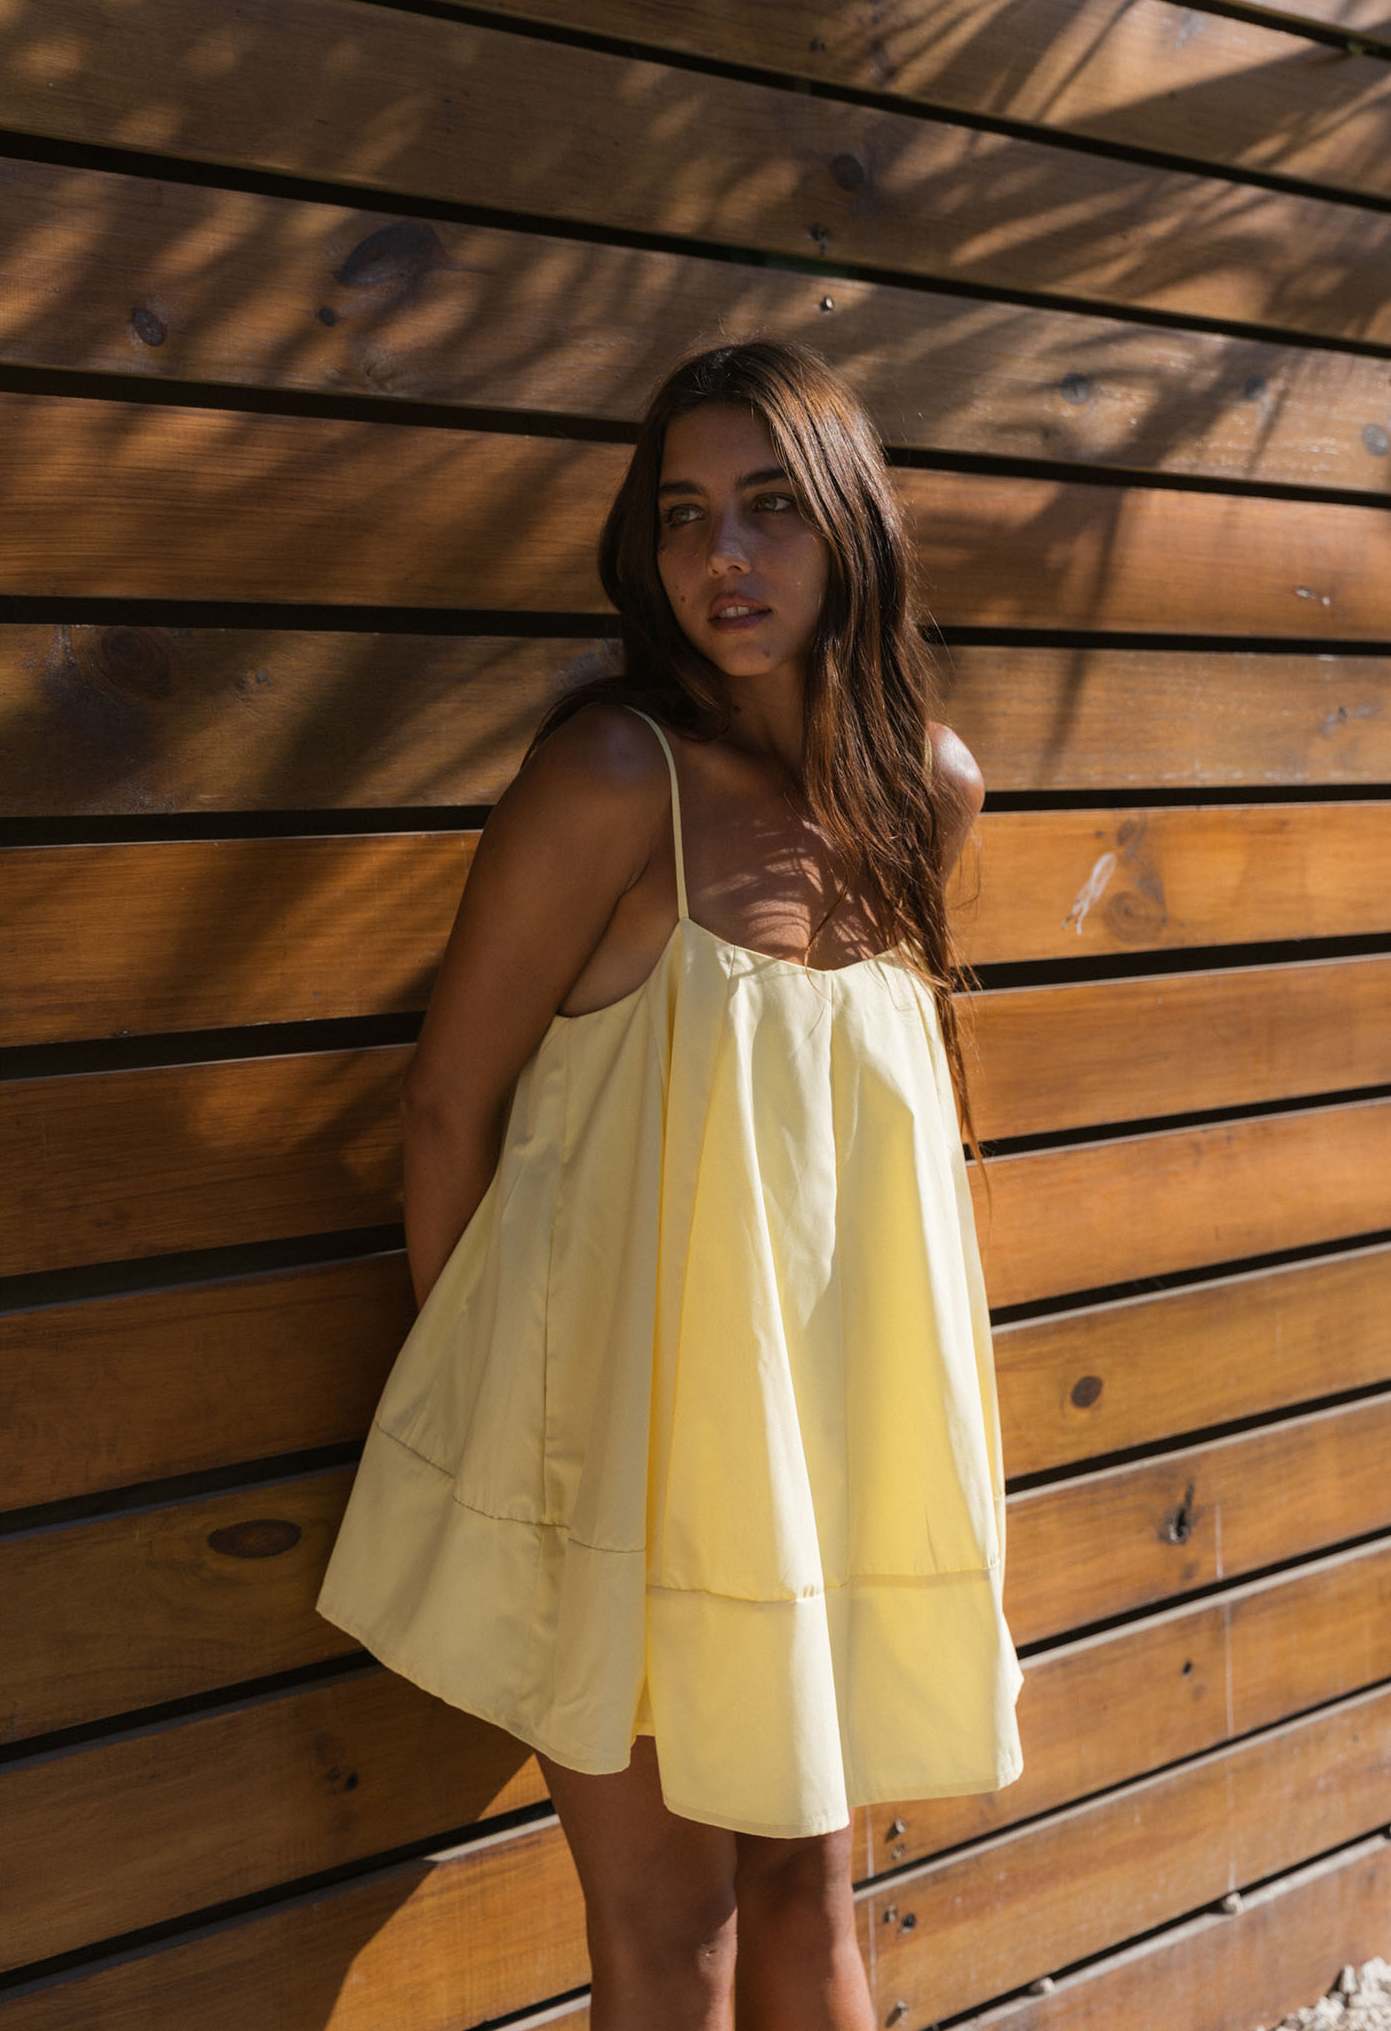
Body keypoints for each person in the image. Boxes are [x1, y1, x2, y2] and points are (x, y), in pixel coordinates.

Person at [316, 339, 1024, 2030]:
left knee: (814, 1901)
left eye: (772, 509)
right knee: (672, 1930)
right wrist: (516, 1441)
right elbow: (446, 1110)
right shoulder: (614, 780)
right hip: (621, 1467)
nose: (726, 557)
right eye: (688, 512)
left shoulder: (926, 794)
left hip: (820, 1460)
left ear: (849, 528)